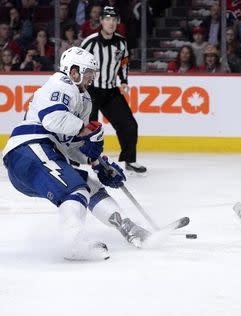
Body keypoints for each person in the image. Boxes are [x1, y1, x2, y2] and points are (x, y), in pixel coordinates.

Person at [2, 47, 150, 261]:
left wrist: (98, 163)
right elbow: (52, 118)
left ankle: (128, 227)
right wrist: (86, 132)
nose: (92, 77)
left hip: (41, 155)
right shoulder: (61, 84)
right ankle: (72, 242)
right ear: (73, 71)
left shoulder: (83, 99)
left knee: (90, 185)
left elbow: (70, 144)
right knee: (76, 189)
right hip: (30, 150)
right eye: (88, 72)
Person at [81, 6, 147, 173]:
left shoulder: (121, 42)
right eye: (107, 19)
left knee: (129, 125)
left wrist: (124, 80)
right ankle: (82, 159)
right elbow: (79, 63)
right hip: (91, 90)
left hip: (111, 91)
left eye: (114, 19)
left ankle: (129, 160)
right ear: (101, 21)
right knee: (88, 128)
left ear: (117, 22)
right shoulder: (89, 42)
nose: (110, 23)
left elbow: (124, 62)